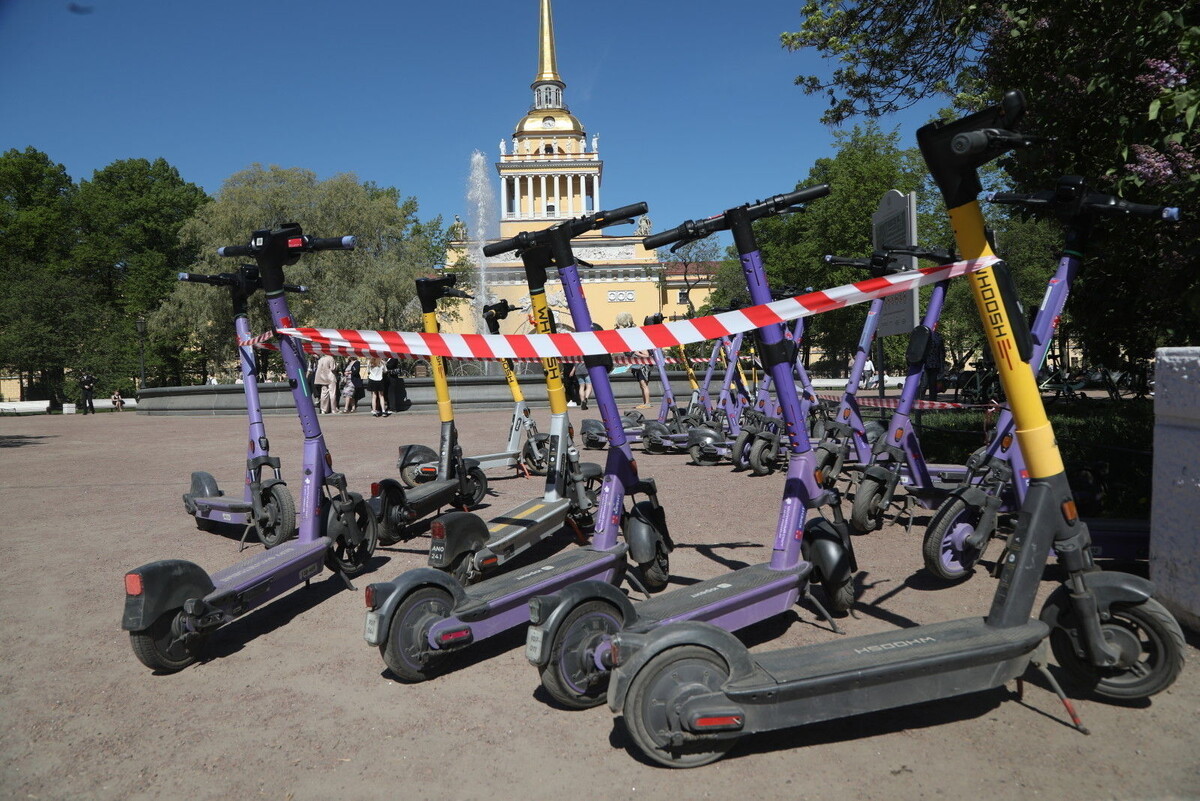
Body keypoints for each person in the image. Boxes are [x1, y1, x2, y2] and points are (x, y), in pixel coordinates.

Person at [616, 313, 651, 408]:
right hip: (638, 367)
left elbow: (646, 355)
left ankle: (647, 403)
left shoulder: (640, 344)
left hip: (643, 367)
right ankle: (645, 402)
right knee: (642, 385)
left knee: (644, 385)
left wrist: (637, 353)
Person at [923, 328, 947, 400]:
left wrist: (942, 368)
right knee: (926, 386)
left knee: (929, 386)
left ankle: (929, 402)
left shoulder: (937, 336)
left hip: (932, 365)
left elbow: (942, 353)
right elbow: (942, 353)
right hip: (927, 364)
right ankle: (922, 401)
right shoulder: (937, 336)